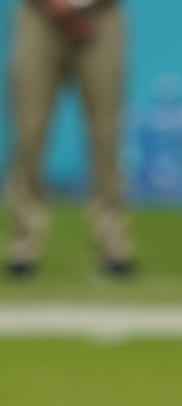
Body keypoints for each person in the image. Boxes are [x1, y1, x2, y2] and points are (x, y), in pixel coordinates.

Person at [5, 0, 133, 278]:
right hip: (38, 14)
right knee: (29, 135)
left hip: (101, 16)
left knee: (106, 137)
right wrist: (61, 9)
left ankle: (113, 246)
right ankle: (23, 246)